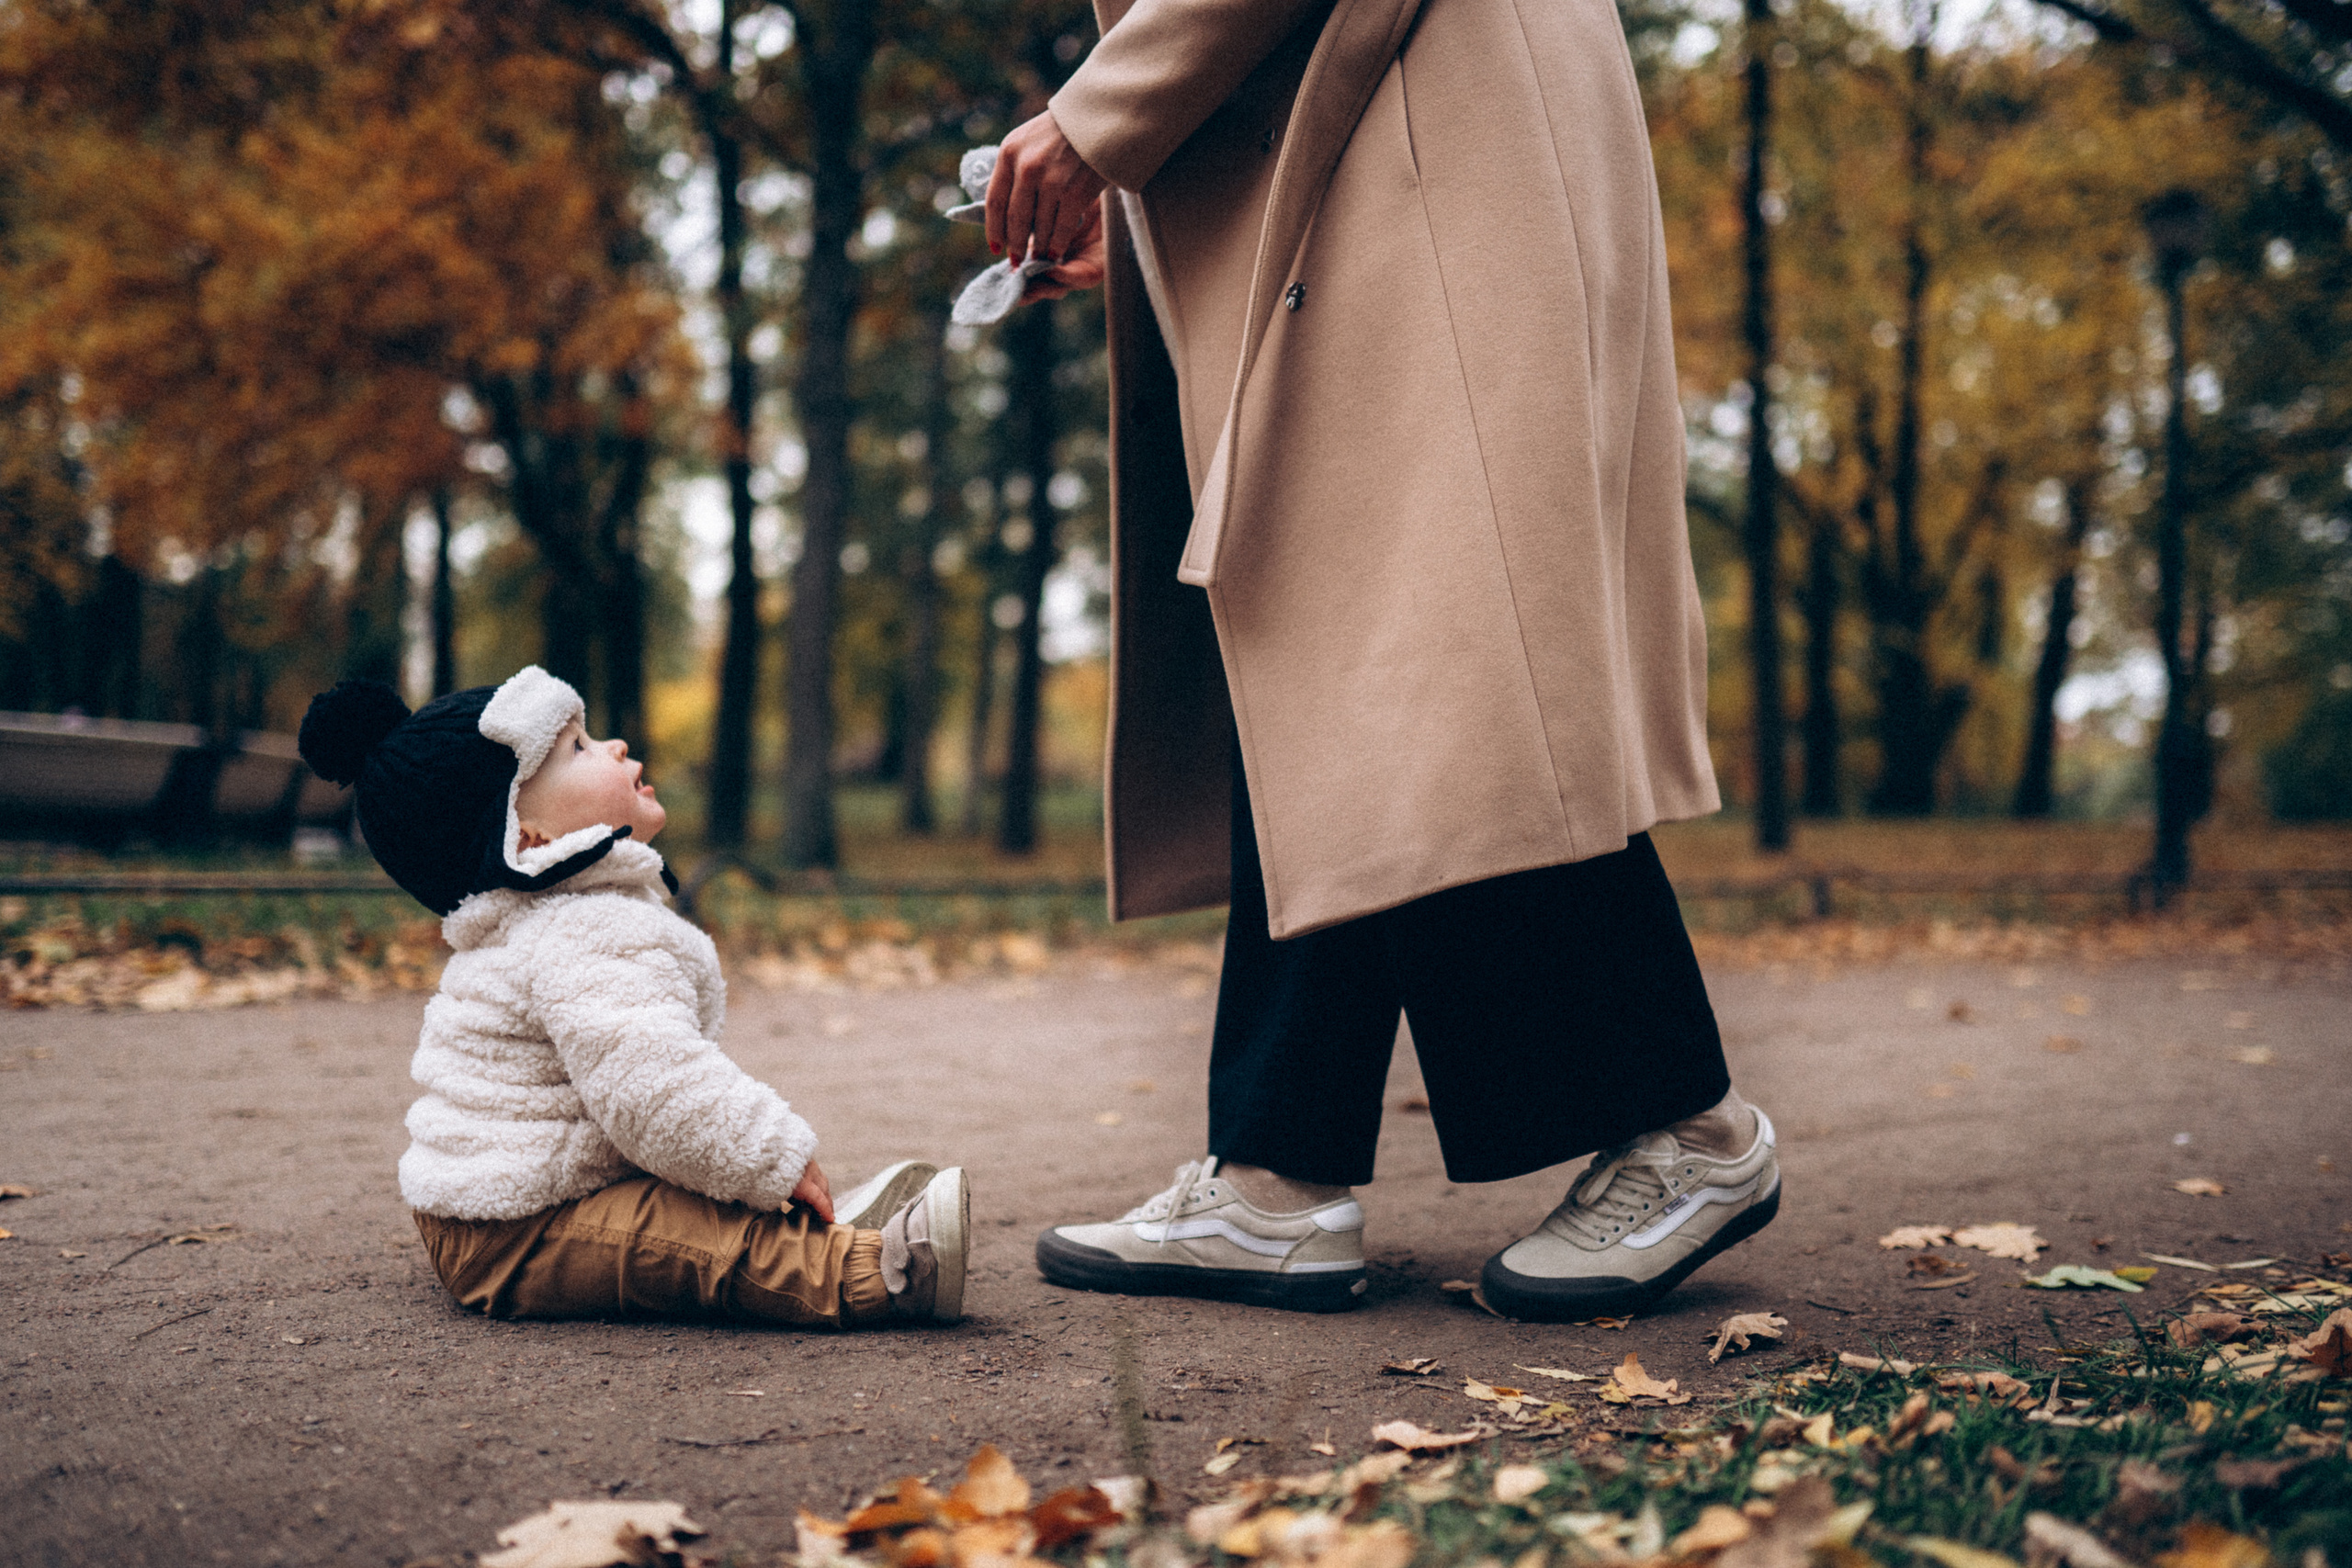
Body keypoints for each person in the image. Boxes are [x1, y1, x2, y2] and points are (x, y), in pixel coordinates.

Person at [987, 0, 1779, 1318]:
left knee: (1440, 654)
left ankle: (1683, 1123)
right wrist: (1148, 220)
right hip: (1388, 133)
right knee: (1344, 650)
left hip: (1437, 124)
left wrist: (1103, 113)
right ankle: (1277, 1169)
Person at [296, 667, 967, 1327]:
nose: (615, 747)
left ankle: (813, 1227)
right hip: (515, 1225)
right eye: (578, 749)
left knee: (689, 1188)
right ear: (526, 835)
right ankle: (877, 1272)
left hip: (527, 1193)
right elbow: (653, 1084)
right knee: (682, 1239)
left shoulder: (562, 915)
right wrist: (773, 1154)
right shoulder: (577, 931)